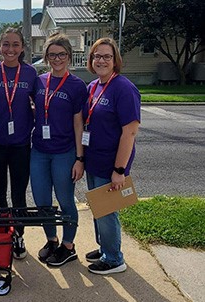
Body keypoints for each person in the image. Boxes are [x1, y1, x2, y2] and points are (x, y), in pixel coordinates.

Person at [83, 37, 141, 275]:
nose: (101, 60)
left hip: (111, 164)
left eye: (107, 56)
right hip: (93, 161)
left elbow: (130, 132)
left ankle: (114, 258)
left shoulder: (124, 88)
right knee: (99, 208)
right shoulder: (93, 86)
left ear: (115, 60)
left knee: (107, 211)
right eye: (97, 56)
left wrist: (119, 170)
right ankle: (105, 247)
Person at [30, 33, 87, 267]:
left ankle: (68, 246)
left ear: (69, 56)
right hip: (39, 150)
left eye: (62, 54)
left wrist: (79, 158)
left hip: (64, 151)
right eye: (52, 55)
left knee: (65, 201)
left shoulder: (76, 85)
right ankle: (52, 240)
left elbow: (78, 123)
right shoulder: (39, 81)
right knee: (42, 200)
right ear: (46, 56)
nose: (57, 59)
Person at [0, 27, 36, 260]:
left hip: (21, 144)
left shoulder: (31, 73)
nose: (10, 49)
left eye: (15, 44)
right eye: (6, 44)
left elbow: (38, 103)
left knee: (19, 194)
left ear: (22, 47)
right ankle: (2, 234)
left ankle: (18, 236)